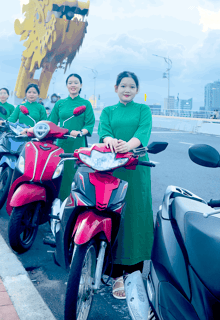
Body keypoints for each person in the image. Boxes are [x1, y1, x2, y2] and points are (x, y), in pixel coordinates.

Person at [97, 71, 152, 311]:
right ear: (116, 87)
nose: (127, 90)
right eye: (123, 86)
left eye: (131, 86)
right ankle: (115, 272)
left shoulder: (143, 110)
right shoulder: (108, 111)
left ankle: (134, 273)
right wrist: (111, 141)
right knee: (113, 213)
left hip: (136, 166)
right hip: (112, 165)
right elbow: (104, 131)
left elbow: (142, 134)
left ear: (137, 90)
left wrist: (127, 145)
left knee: (135, 215)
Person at [47, 74, 95, 201]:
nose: (73, 85)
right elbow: (51, 122)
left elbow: (89, 124)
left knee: (76, 174)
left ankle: (74, 203)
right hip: (61, 144)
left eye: (76, 83)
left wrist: (80, 132)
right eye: (70, 83)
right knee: (59, 173)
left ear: (81, 85)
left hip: (78, 144)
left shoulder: (86, 104)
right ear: (67, 85)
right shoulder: (60, 103)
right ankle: (56, 203)